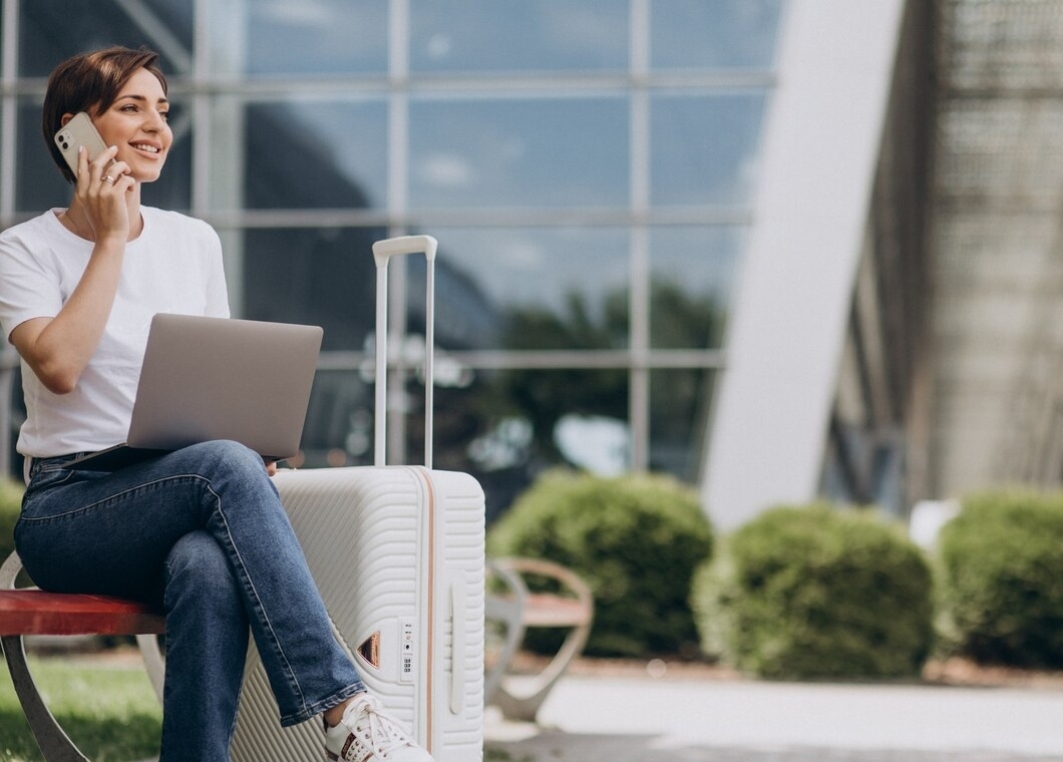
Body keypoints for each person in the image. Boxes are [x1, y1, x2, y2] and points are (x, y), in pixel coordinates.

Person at [0, 46, 433, 762]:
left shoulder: (192, 241)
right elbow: (60, 368)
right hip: (70, 506)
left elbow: (222, 386)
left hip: (185, 489)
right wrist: (111, 239)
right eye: (131, 108)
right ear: (72, 132)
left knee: (205, 561)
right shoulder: (25, 250)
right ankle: (344, 710)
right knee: (221, 466)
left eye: (163, 111)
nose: (155, 126)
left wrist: (250, 444)